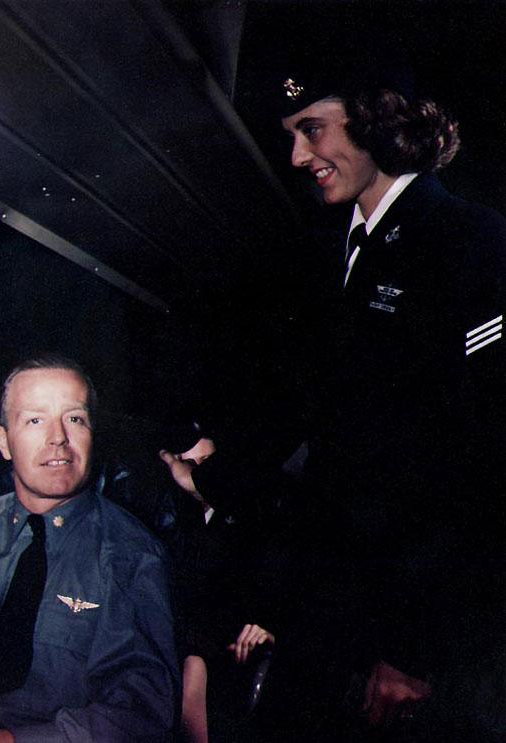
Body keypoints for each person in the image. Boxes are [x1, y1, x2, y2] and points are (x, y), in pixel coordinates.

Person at [264, 60, 506, 740]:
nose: (295, 156)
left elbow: (482, 465)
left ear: (377, 123)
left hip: (402, 631)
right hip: (333, 610)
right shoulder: (341, 249)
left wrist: (414, 648)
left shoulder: (468, 239)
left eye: (311, 130)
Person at [0, 355, 181, 743]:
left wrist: (16, 741)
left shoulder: (132, 556)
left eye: (74, 418)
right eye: (34, 420)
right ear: (3, 441)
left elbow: (142, 712)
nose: (58, 437)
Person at [158, 420, 277, 743]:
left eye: (206, 464)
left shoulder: (256, 519)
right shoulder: (172, 522)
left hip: (235, 650)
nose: (196, 474)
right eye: (188, 464)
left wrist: (266, 625)